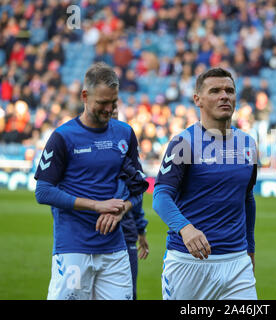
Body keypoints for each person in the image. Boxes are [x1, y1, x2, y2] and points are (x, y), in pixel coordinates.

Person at [34, 62, 144, 300]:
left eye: (113, 102)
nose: (109, 109)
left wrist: (121, 209)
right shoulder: (63, 137)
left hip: (115, 249)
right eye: (102, 103)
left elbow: (138, 189)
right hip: (73, 247)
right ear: (85, 96)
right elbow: (43, 191)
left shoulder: (125, 133)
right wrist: (97, 205)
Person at [152, 67, 258, 300]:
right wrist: (185, 228)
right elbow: (160, 195)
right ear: (197, 99)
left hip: (237, 263)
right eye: (215, 91)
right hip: (189, 262)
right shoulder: (183, 143)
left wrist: (250, 247)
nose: (224, 96)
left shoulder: (248, 144)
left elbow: (247, 198)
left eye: (229, 90)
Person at [111, 109, 150, 300]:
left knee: (128, 294)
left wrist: (141, 230)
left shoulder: (125, 149)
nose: (111, 111)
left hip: (126, 234)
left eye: (115, 109)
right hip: (89, 235)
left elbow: (138, 192)